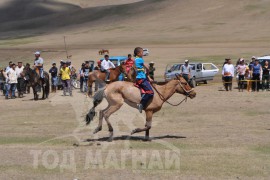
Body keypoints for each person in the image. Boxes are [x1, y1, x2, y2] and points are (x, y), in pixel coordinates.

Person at [134, 47, 154, 113]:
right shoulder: (140, 59)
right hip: (141, 79)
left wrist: (149, 78)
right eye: (142, 52)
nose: (143, 53)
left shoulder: (137, 59)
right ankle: (141, 104)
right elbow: (147, 67)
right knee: (151, 92)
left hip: (142, 77)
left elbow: (143, 70)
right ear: (138, 53)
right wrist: (148, 69)